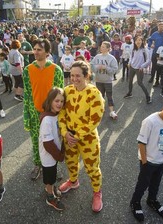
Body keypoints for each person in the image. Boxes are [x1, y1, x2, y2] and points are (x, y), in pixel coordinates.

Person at [58, 61, 105, 213]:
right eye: (72, 75)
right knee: (71, 162)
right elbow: (62, 113)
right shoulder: (67, 90)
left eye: (78, 75)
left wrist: (77, 135)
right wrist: (65, 132)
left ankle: (97, 192)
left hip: (88, 139)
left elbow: (95, 119)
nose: (74, 78)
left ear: (86, 75)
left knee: (92, 168)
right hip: (69, 136)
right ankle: (73, 181)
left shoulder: (94, 93)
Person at [23, 38, 64, 180]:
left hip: (52, 114)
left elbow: (60, 94)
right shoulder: (28, 70)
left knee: (53, 141)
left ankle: (54, 167)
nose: (35, 52)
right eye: (34, 49)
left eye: (39, 49)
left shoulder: (56, 70)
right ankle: (38, 164)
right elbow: (27, 94)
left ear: (47, 52)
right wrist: (26, 116)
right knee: (36, 141)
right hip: (34, 113)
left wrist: (60, 116)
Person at [39, 87, 65, 211]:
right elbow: (48, 144)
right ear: (50, 101)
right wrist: (59, 155)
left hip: (54, 154)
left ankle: (50, 187)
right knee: (49, 177)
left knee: (53, 173)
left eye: (61, 101)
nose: (59, 104)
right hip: (49, 155)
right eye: (56, 101)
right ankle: (50, 196)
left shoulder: (56, 115)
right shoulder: (47, 120)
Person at [90, 41, 119, 119]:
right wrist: (97, 67)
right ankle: (100, 110)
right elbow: (91, 65)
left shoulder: (112, 58)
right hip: (98, 80)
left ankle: (112, 112)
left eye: (103, 47)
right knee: (100, 96)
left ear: (108, 49)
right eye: (101, 46)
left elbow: (114, 70)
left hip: (108, 81)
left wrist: (106, 67)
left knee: (109, 96)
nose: (101, 48)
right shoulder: (97, 56)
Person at [124, 36, 152, 104]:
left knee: (140, 83)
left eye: (140, 40)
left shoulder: (145, 50)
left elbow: (148, 60)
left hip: (139, 69)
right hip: (132, 67)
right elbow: (131, 56)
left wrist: (142, 66)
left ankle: (148, 97)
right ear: (134, 41)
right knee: (130, 81)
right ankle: (129, 93)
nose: (138, 41)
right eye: (136, 40)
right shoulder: (133, 49)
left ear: (142, 41)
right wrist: (129, 63)